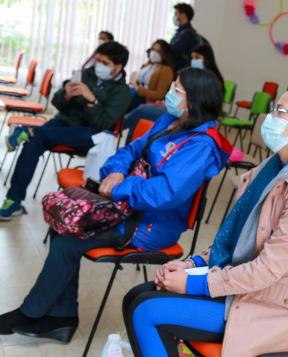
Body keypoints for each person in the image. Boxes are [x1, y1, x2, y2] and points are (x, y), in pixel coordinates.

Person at [122, 85, 288, 357]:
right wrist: (192, 264)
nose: (269, 116)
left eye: (280, 111)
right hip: (250, 290)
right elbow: (236, 241)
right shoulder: (274, 167)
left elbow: (266, 270)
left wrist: (192, 283)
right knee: (137, 296)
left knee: (145, 310)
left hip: (275, 308)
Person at [0, 68, 232, 343]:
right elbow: (131, 150)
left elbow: (165, 194)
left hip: (149, 224)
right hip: (128, 206)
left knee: (67, 241)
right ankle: (59, 317)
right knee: (63, 224)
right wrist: (117, 172)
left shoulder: (201, 145)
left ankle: (37, 314)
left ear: (195, 100)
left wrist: (120, 189)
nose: (169, 93)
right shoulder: (171, 120)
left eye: (177, 90)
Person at [0, 41, 132, 220]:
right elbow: (57, 103)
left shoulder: (122, 92)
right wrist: (66, 95)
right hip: (63, 124)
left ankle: (29, 130)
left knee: (86, 135)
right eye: (98, 60)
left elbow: (102, 124)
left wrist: (91, 100)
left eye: (105, 63)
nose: (99, 66)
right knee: (32, 144)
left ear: (118, 67)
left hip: (91, 135)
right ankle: (14, 201)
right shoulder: (86, 74)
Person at [128, 39, 174, 111]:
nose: (154, 53)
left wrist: (139, 90)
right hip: (135, 95)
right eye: (153, 49)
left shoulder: (166, 70)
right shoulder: (146, 65)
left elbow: (159, 95)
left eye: (158, 51)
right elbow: (137, 82)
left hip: (146, 101)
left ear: (164, 54)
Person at [171, 3, 211, 73]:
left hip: (181, 71)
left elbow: (172, 52)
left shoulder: (188, 34)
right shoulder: (181, 33)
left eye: (176, 13)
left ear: (183, 15)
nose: (174, 16)